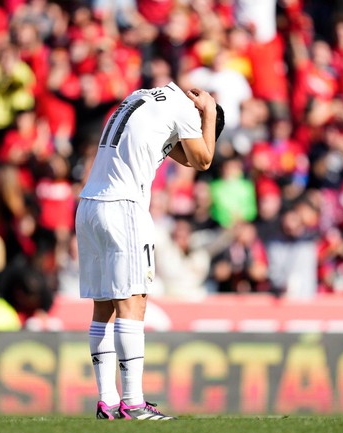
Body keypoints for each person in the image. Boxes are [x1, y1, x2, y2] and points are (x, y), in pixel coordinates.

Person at [75, 82, 224, 421]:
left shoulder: (143, 97)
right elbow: (202, 160)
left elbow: (178, 153)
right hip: (123, 206)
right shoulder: (188, 111)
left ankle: (108, 403)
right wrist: (210, 112)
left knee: (104, 307)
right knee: (133, 301)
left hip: (89, 205)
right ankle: (133, 403)